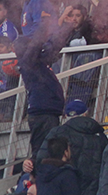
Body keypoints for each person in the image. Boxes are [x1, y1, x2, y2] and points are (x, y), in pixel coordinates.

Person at [14, 11, 74, 159]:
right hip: (42, 114)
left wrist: (68, 26)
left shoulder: (38, 62)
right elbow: (36, 45)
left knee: (49, 150)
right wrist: (44, 24)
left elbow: (53, 45)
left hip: (48, 112)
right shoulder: (27, 62)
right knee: (43, 152)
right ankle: (37, 176)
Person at [32, 101, 108, 195]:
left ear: (66, 116)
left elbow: (41, 159)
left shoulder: (57, 132)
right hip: (94, 192)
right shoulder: (98, 134)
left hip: (64, 191)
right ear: (86, 114)